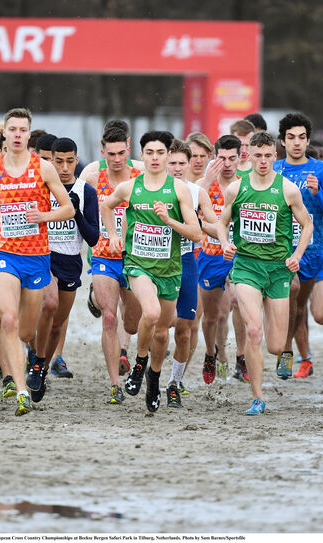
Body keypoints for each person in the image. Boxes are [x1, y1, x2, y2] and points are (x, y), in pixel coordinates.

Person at [0, 108, 74, 416]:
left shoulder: (44, 169)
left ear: (28, 134)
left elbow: (68, 209)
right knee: (6, 318)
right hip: (4, 254)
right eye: (14, 129)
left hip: (36, 257)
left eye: (24, 130)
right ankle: (21, 389)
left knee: (23, 331)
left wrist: (44, 216)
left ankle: (34, 354)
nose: (19, 134)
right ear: (4, 135)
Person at [101, 130, 201, 412]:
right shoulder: (130, 188)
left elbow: (196, 234)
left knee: (162, 332)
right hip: (138, 265)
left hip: (170, 269)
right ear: (142, 156)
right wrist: (112, 235)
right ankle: (139, 363)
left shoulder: (179, 189)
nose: (155, 158)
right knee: (152, 313)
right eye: (150, 153)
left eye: (160, 153)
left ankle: (154, 377)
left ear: (168, 156)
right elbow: (106, 206)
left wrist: (168, 219)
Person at [223, 131, 313, 414]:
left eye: (268, 156)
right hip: (247, 266)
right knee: (253, 331)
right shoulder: (236, 189)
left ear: (276, 156)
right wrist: (226, 243)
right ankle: (258, 397)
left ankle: (284, 351)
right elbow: (221, 220)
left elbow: (307, 224)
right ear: (248, 156)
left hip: (278, 270)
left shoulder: (287, 189)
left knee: (274, 345)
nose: (263, 161)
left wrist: (297, 255)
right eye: (257, 156)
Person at [32, 137, 99, 402]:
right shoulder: (42, 188)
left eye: (70, 161)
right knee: (49, 304)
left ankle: (42, 369)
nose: (64, 167)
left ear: (76, 159)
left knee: (57, 324)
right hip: (43, 257)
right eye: (58, 161)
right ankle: (36, 362)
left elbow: (93, 239)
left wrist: (76, 212)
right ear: (50, 160)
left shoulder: (86, 192)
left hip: (71, 261)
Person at [81, 126, 143, 403]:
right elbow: (75, 209)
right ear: (101, 150)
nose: (116, 159)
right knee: (109, 317)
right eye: (111, 154)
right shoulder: (93, 179)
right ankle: (115, 384)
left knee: (131, 324)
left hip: (135, 259)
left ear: (128, 149)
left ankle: (96, 299)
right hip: (103, 256)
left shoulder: (141, 178)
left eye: (121, 153)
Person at [273, 113, 323, 379]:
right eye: (291, 138)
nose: (296, 143)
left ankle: (297, 352)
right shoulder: (275, 169)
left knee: (319, 315)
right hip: (288, 250)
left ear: (308, 140)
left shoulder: (321, 169)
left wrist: (316, 193)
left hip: (319, 249)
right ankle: (287, 352)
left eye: (301, 137)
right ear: (283, 141)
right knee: (294, 297)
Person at [165, 139, 220, 406]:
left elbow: (212, 226)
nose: (177, 168)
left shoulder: (197, 193)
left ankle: (174, 383)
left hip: (186, 261)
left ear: (188, 165)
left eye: (181, 163)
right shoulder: (145, 188)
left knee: (185, 329)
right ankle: (148, 370)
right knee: (157, 324)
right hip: (154, 263)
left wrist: (222, 234)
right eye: (172, 162)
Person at [197, 135, 248, 384]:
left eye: (232, 158)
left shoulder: (246, 187)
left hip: (238, 257)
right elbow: (195, 221)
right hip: (210, 255)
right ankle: (211, 354)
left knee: (239, 302)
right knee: (212, 317)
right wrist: (219, 232)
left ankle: (241, 357)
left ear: (240, 158)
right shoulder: (202, 186)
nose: (226, 164)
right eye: (221, 158)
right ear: (214, 158)